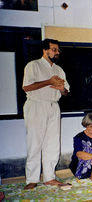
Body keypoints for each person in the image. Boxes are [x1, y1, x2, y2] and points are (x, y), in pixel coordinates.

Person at [23, 38, 70, 189]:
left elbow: (66, 92)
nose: (57, 52)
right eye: (54, 49)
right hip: (36, 105)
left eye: (58, 50)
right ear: (45, 50)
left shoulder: (59, 69)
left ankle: (49, 177)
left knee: (52, 144)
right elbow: (27, 87)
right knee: (35, 142)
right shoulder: (33, 65)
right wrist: (49, 82)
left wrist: (61, 89)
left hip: (53, 107)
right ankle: (32, 179)